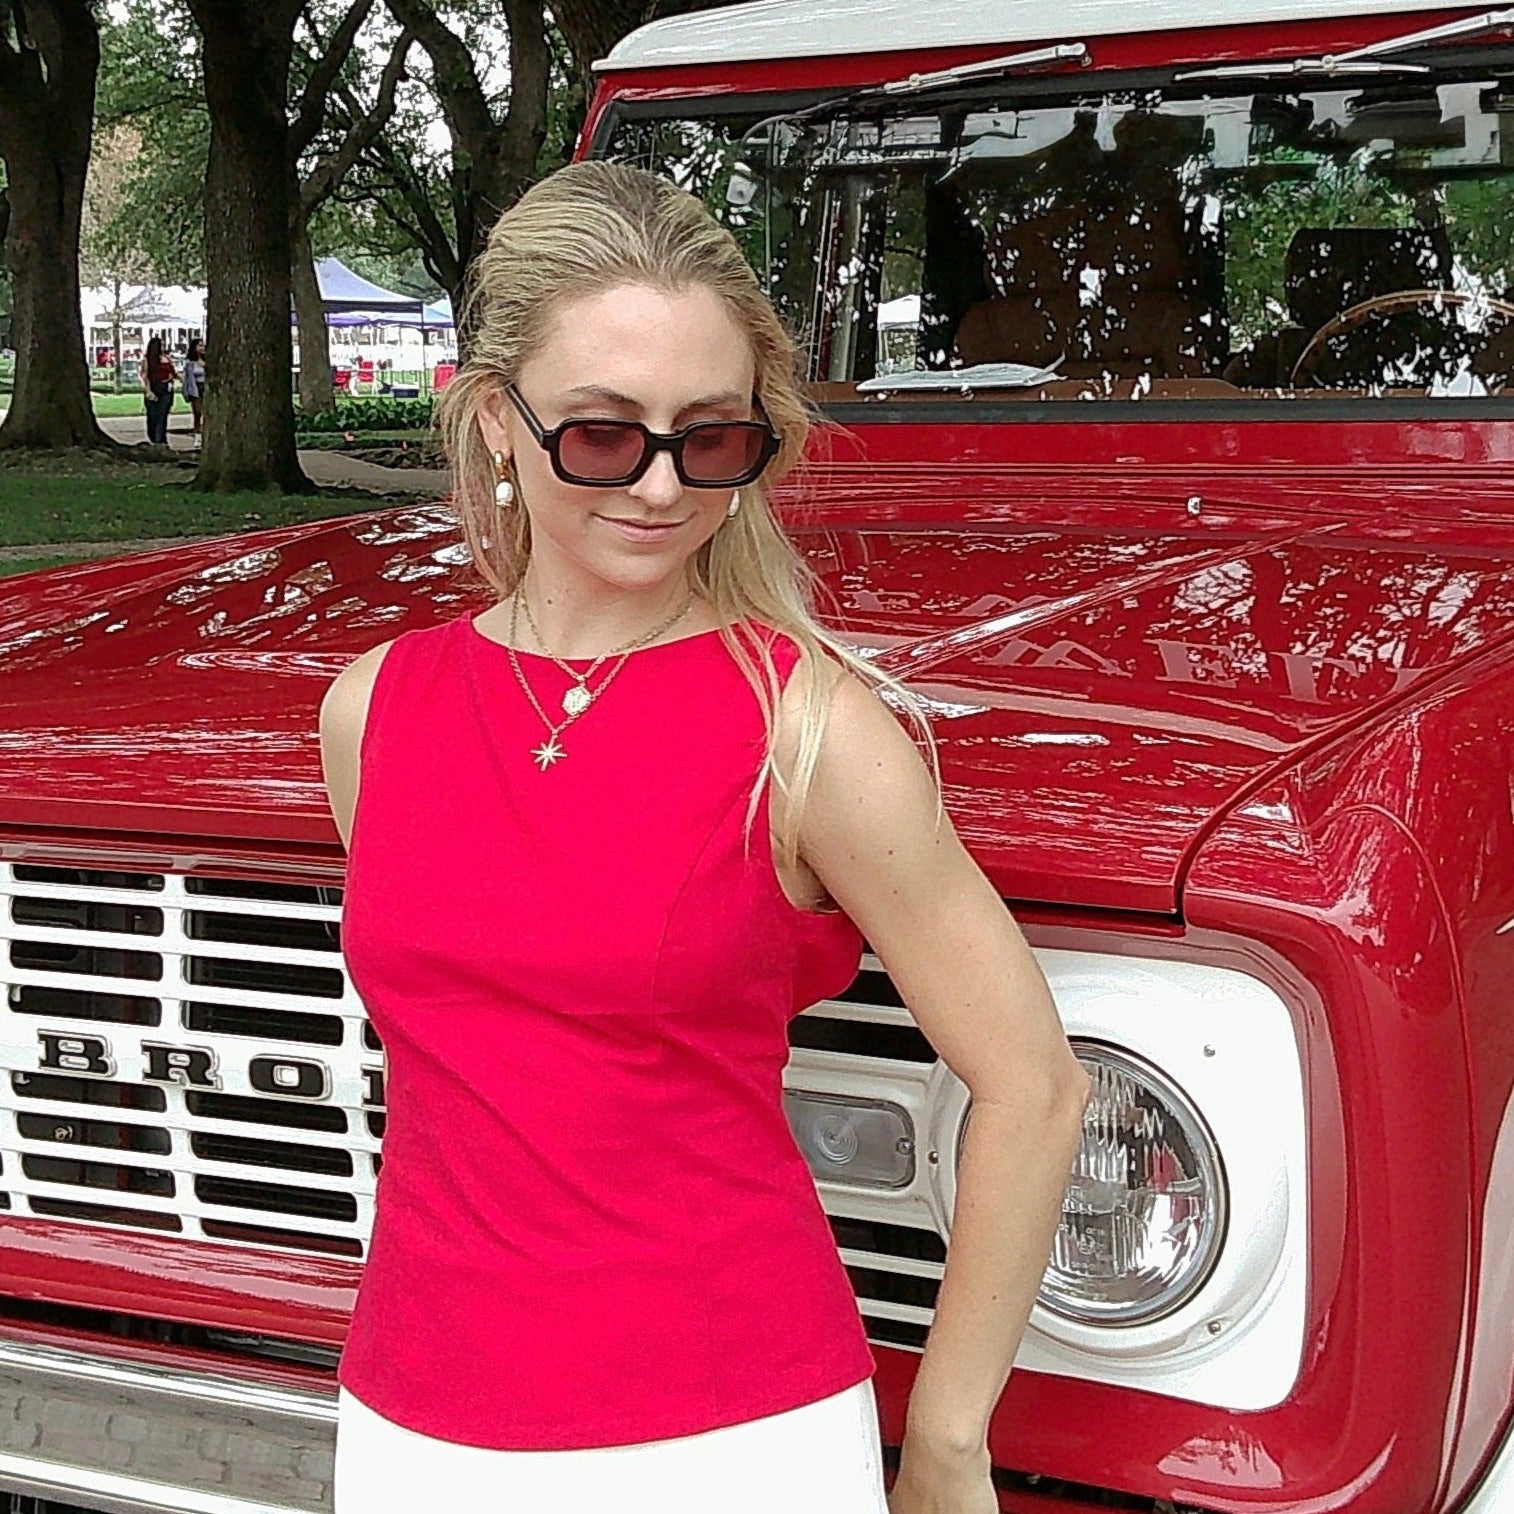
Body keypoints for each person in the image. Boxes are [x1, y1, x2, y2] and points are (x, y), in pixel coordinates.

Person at [317, 160, 1089, 1514]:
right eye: (605, 434)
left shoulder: (809, 730)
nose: (662, 485)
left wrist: (949, 1441)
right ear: (495, 421)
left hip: (727, 1434)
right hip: (412, 1416)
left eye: (711, 436)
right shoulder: (375, 710)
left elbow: (1034, 1082)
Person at [140, 335, 176, 445]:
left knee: (162, 415)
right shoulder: (148, 360)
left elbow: (173, 372)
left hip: (166, 388)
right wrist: (148, 391)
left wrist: (172, 377)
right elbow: (145, 376)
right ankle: (154, 436)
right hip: (154, 387)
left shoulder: (166, 358)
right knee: (152, 416)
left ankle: (161, 439)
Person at [182, 338, 206, 440]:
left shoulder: (205, 359)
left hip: (204, 385)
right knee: (197, 410)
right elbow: (187, 377)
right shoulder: (190, 362)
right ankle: (197, 428)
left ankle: (202, 428)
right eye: (199, 345)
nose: (202, 348)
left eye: (203, 346)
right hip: (195, 386)